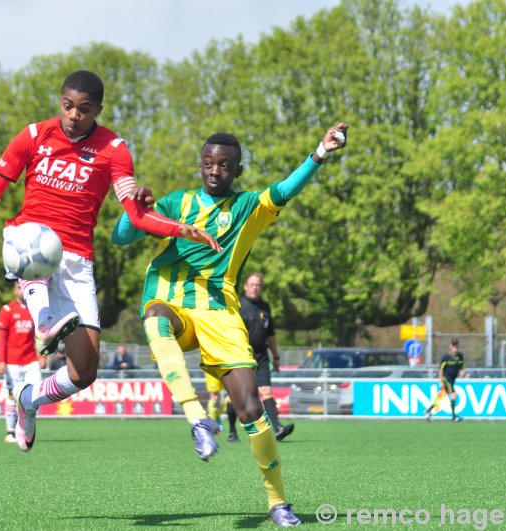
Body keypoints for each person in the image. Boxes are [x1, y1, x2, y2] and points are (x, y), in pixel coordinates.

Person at [0, 70, 220, 453]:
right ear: (61, 102)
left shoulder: (114, 149)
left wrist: (181, 229)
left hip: (77, 261)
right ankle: (46, 324)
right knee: (34, 247)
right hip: (28, 239)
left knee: (85, 372)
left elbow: (135, 215)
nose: (73, 116)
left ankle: (28, 400)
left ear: (97, 110)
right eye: (67, 106)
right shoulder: (34, 135)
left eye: (83, 110)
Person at [112, 124, 348, 526]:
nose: (215, 170)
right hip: (174, 303)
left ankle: (278, 502)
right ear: (200, 165)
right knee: (154, 318)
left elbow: (286, 189)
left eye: (224, 165)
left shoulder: (248, 208)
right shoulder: (177, 203)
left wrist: (320, 153)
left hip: (221, 314)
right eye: (208, 163)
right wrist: (133, 207)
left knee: (251, 408)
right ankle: (196, 416)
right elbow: (121, 238)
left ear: (238, 171)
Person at [226, 272, 294, 443]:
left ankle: (277, 428)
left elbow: (271, 334)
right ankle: (232, 431)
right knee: (236, 395)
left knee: (266, 391)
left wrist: (276, 356)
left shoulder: (265, 307)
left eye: (258, 285)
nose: (255, 288)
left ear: (261, 288)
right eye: (252, 284)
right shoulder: (237, 304)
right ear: (245, 286)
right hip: (240, 355)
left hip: (262, 356)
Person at [0, 282, 43, 443]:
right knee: (11, 395)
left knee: (35, 394)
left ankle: (26, 427)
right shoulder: (7, 310)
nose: (21, 290)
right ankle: (10, 431)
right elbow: (2, 338)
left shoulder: (34, 308)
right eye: (18, 287)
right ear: (14, 290)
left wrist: (42, 355)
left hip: (31, 360)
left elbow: (41, 334)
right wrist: (1, 360)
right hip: (12, 362)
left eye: (22, 287)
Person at [425, 338, 466, 421]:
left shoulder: (460, 356)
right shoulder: (446, 357)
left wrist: (462, 372)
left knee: (442, 396)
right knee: (454, 395)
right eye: (453, 346)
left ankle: (428, 410)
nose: (455, 348)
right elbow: (440, 370)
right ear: (450, 347)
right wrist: (441, 381)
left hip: (453, 380)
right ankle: (454, 416)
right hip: (446, 379)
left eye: (456, 346)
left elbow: (461, 367)